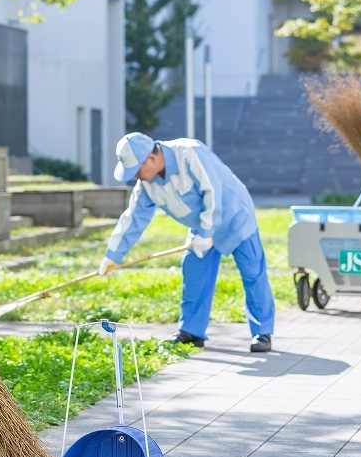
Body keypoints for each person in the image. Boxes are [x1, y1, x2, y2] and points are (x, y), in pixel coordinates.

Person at [98, 132, 276, 353]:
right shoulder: (146, 185)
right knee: (194, 273)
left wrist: (206, 232)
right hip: (202, 227)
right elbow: (133, 218)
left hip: (235, 216)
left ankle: (262, 332)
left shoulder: (190, 153)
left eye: (136, 170)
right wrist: (112, 256)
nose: (136, 177)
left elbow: (213, 191)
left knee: (252, 271)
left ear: (151, 159)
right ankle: (191, 331)